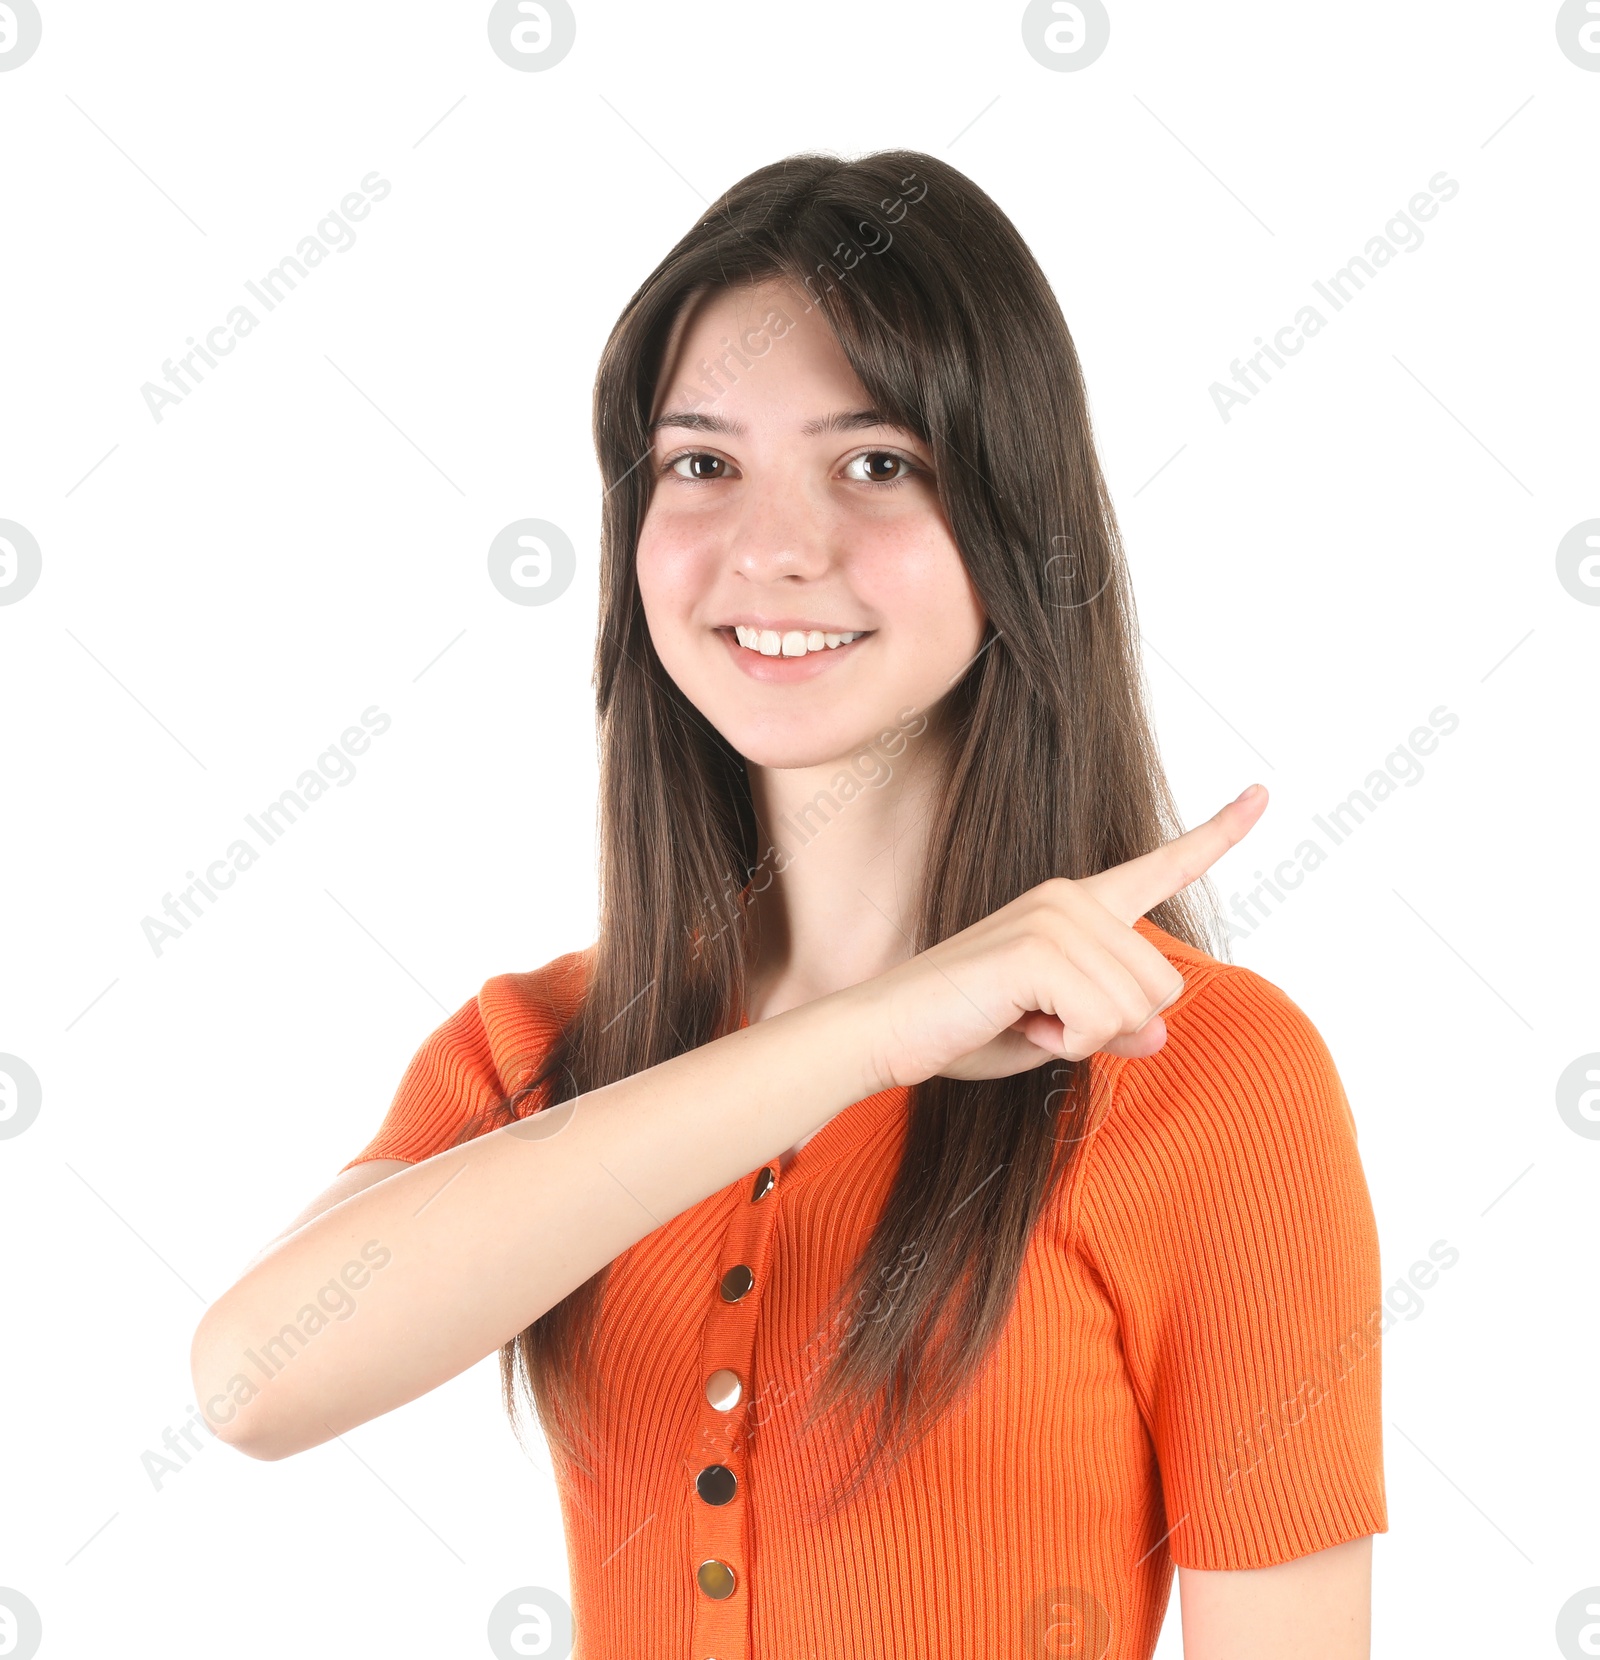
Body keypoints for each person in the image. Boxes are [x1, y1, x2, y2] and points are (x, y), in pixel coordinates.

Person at [192, 149, 1386, 1658]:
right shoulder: (537, 1048)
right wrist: (876, 1029)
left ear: (1018, 521)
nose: (773, 547)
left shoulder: (1205, 1072)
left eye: (875, 462)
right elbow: (251, 1382)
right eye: (701, 463)